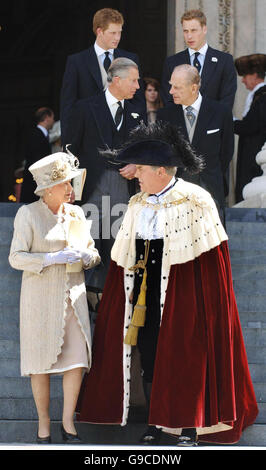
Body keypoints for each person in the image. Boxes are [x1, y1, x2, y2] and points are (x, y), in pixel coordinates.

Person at [75, 121, 258, 446]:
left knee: (186, 358)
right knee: (151, 355)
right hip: (144, 293)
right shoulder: (137, 204)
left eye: (142, 169)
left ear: (161, 170)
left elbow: (210, 263)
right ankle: (157, 423)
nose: (138, 175)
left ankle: (188, 426)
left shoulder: (195, 200)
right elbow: (125, 256)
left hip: (184, 294)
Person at [9, 150, 100, 444]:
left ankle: (68, 424)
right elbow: (16, 258)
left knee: (76, 361)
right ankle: (44, 426)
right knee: (41, 364)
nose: (71, 190)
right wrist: (50, 257)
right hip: (40, 301)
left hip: (73, 298)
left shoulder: (76, 213)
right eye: (65, 184)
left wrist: (87, 256)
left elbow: (93, 254)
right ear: (48, 189)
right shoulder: (28, 214)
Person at [66, 57, 146, 293]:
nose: (138, 86)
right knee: (86, 253)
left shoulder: (137, 112)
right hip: (91, 192)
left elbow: (143, 150)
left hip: (123, 192)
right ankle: (84, 309)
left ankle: (111, 311)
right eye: (134, 80)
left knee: (117, 254)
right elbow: (71, 152)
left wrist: (137, 165)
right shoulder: (84, 108)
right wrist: (72, 191)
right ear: (117, 80)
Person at [60, 7, 145, 145]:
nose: (117, 37)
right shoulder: (77, 62)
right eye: (113, 33)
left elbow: (139, 102)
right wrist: (68, 146)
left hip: (124, 138)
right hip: (89, 139)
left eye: (119, 32)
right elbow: (68, 106)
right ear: (99, 31)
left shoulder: (131, 58)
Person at [157, 64, 234, 213]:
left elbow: (226, 152)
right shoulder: (164, 115)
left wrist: (209, 172)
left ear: (194, 88)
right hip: (174, 192)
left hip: (211, 189)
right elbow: (162, 153)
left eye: (177, 87)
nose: (171, 91)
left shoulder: (221, 112)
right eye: (171, 86)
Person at [161, 9, 237, 109]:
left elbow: (227, 100)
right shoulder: (172, 62)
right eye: (185, 31)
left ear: (204, 29)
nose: (189, 36)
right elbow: (168, 99)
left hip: (213, 123)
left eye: (193, 30)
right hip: (181, 123)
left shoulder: (224, 61)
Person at [234, 53, 266, 203]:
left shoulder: (262, 96)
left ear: (254, 75)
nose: (243, 80)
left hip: (255, 159)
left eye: (245, 75)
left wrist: (229, 122)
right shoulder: (258, 96)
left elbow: (251, 126)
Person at [20, 107, 54, 203]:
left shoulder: (41, 135)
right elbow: (37, 159)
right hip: (35, 183)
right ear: (47, 117)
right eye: (52, 118)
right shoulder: (35, 134)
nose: (53, 121)